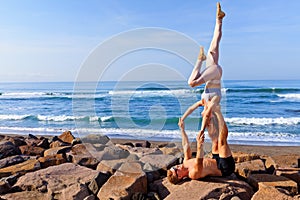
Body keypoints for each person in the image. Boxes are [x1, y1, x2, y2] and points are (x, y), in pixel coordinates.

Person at [186, 2, 225, 138]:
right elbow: (207, 113)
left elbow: (192, 108)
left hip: (214, 73)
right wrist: (202, 131)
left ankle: (219, 19)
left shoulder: (204, 103)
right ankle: (199, 60)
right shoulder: (214, 104)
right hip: (215, 73)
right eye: (205, 117)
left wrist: (183, 120)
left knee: (214, 44)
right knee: (191, 83)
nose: (202, 113)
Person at [167, 107, 235, 184]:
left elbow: (186, 146)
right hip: (224, 168)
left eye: (174, 167)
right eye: (176, 170)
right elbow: (199, 162)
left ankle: (212, 114)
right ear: (179, 176)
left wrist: (182, 129)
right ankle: (218, 112)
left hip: (216, 159)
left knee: (215, 140)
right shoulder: (193, 174)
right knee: (222, 141)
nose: (176, 166)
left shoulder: (185, 163)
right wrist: (199, 145)